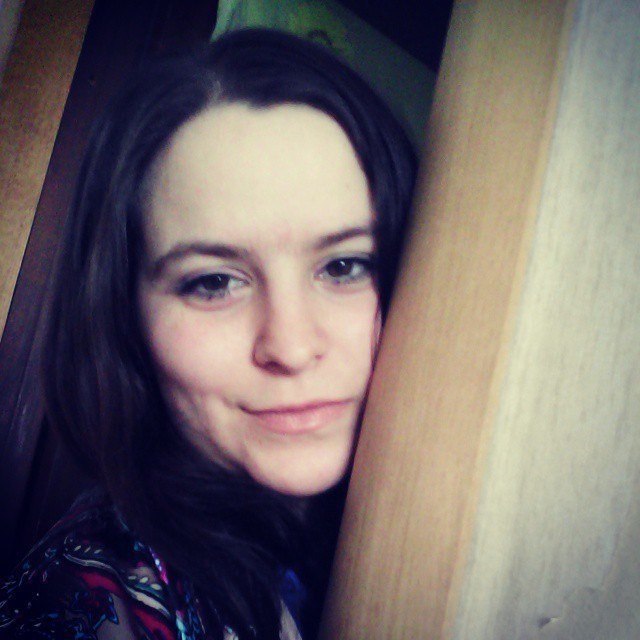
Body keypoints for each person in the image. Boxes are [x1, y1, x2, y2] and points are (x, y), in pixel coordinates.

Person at [0, 28, 416, 639]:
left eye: (345, 266)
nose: (292, 348)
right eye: (214, 282)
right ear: (125, 317)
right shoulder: (88, 597)